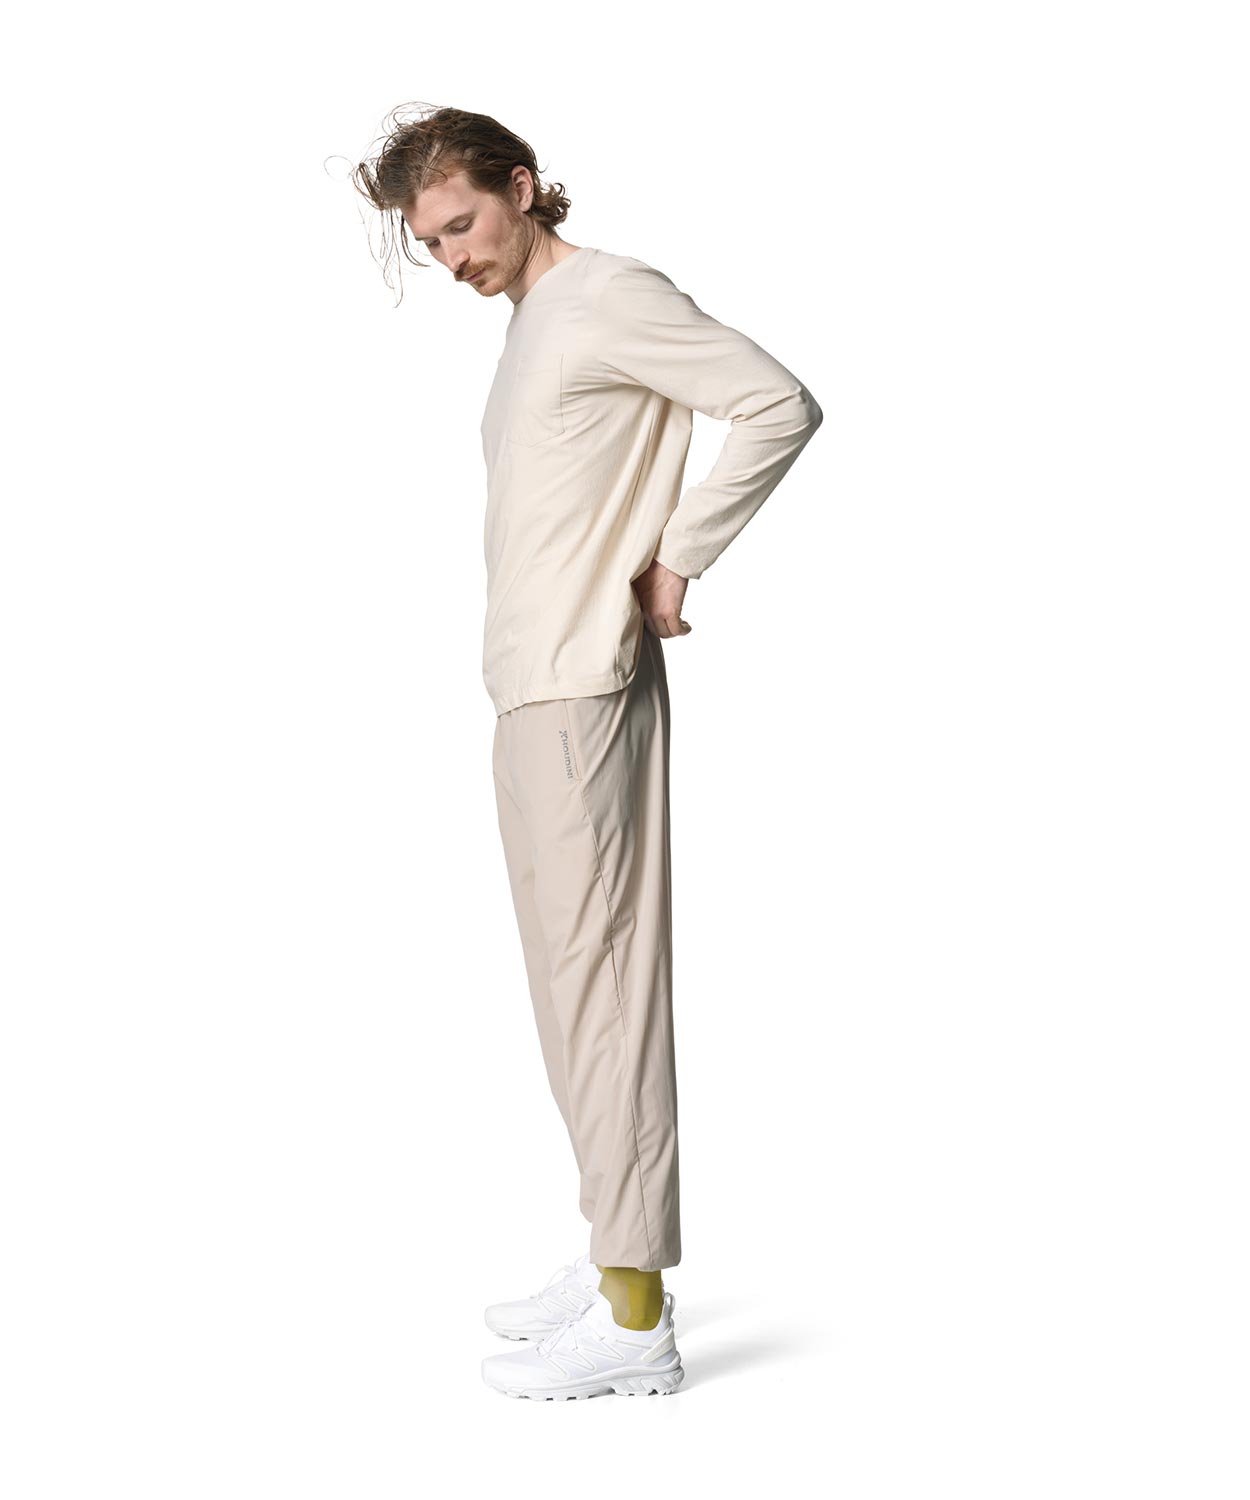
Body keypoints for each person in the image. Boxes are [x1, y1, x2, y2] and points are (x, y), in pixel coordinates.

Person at [351, 105, 822, 1400]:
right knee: (571, 993)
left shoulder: (609, 296)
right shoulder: (533, 324)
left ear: (521, 187)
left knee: (603, 991)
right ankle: (615, 1245)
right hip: (531, 691)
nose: (451, 257)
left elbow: (776, 402)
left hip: (579, 688)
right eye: (429, 243)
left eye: (462, 225)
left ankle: (635, 1318)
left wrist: (678, 558)